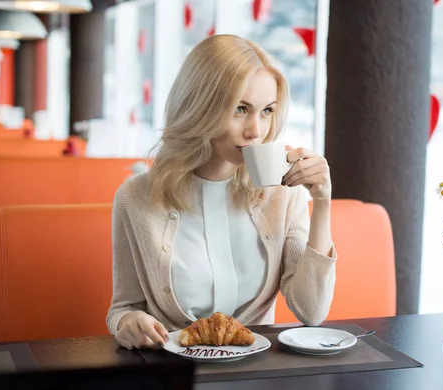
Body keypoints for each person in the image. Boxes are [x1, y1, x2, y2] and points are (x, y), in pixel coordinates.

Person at [106, 34, 337, 350]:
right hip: (174, 370)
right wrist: (127, 323)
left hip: (255, 374)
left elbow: (312, 312)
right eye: (240, 109)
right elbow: (123, 307)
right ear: (201, 106)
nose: (256, 130)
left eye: (267, 110)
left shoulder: (284, 194)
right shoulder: (136, 198)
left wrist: (322, 200)